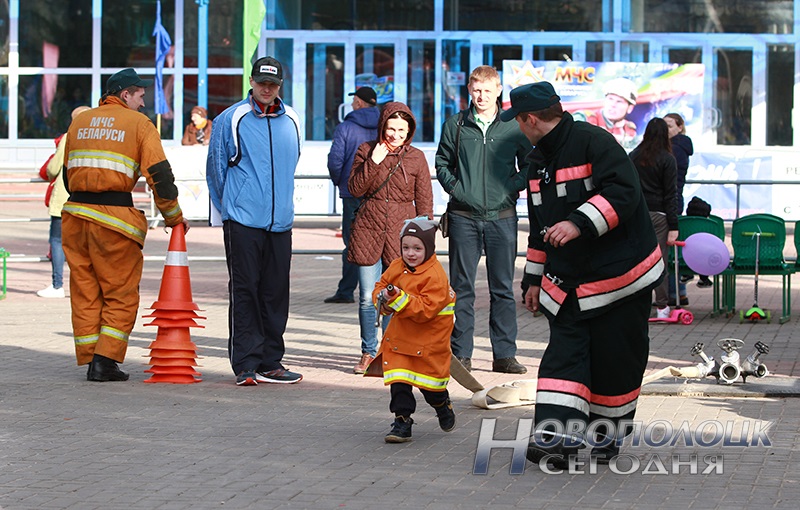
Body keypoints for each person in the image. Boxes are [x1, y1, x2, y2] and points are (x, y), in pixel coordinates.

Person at [500, 81, 663, 468]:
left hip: (620, 280)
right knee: (562, 360)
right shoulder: (537, 161)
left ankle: (606, 440)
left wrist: (578, 223)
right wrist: (534, 279)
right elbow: (541, 226)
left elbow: (625, 193)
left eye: (518, 121)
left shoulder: (595, 143)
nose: (518, 128)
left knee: (616, 362)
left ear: (531, 118)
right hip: (569, 283)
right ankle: (556, 442)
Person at [61, 68, 188, 382]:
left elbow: (67, 175)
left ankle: (92, 358)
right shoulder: (138, 125)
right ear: (125, 94)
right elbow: (160, 176)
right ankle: (104, 362)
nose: (144, 103)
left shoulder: (79, 122)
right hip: (114, 221)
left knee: (86, 291)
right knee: (121, 294)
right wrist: (174, 217)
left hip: (75, 216)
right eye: (140, 95)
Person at [206, 56, 303, 386]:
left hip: (281, 222)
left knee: (276, 292)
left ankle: (271, 361)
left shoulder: (291, 119)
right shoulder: (231, 119)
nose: (266, 88)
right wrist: (230, 209)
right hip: (243, 220)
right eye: (261, 82)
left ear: (280, 87)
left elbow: (292, 163)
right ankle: (246, 363)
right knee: (246, 290)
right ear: (251, 81)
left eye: (273, 84)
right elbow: (216, 170)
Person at [435, 65, 531, 374]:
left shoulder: (514, 126)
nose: (481, 96)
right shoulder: (456, 125)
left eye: (487, 90)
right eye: (476, 90)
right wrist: (457, 190)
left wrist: (511, 188)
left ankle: (504, 355)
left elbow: (531, 164)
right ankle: (461, 354)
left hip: (502, 217)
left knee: (502, 288)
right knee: (461, 288)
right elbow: (442, 162)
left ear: (498, 91)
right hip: (464, 217)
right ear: (469, 90)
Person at [347, 102, 434, 375]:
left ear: (409, 131)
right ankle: (368, 351)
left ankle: (388, 351)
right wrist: (374, 160)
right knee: (366, 297)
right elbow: (355, 188)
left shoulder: (416, 157)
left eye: (401, 130)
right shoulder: (365, 150)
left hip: (401, 235)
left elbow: (424, 199)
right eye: (390, 128)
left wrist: (424, 239)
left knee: (394, 297)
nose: (395, 134)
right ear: (382, 126)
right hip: (368, 230)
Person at [368, 217, 456, 443]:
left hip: (428, 343)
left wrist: (397, 298)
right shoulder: (397, 266)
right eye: (406, 247)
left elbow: (425, 310)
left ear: (429, 248)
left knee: (431, 387)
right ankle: (402, 421)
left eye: (417, 248)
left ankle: (442, 405)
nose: (410, 253)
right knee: (399, 381)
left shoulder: (435, 275)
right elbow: (380, 286)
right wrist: (382, 298)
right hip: (400, 339)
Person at [324, 86, 380, 304]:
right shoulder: (385, 125)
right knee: (378, 240)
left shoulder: (346, 127)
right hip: (377, 191)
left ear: (358, 102)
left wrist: (341, 182)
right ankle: (379, 289)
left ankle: (346, 291)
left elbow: (335, 160)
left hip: (352, 192)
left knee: (352, 242)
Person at [37, 106, 91, 299]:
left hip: (65, 199)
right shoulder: (99, 139)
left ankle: (57, 285)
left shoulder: (69, 138)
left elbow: (53, 168)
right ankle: (87, 288)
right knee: (86, 245)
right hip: (90, 199)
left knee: (58, 241)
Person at [629, 118, 679, 320]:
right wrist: (674, 225)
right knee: (658, 262)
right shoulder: (667, 159)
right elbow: (670, 194)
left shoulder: (634, 156)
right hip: (659, 215)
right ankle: (662, 306)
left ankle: (636, 303)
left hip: (637, 214)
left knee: (637, 260)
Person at [577, 77, 639, 149]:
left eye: (619, 101)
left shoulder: (629, 130)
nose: (613, 105)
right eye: (610, 99)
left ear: (630, 108)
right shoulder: (583, 118)